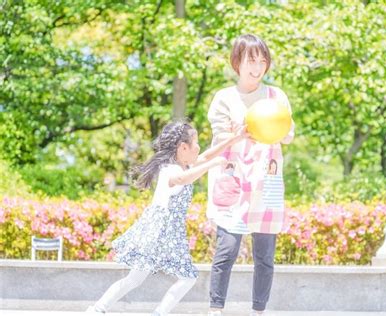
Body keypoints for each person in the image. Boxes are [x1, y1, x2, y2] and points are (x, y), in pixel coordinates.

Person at [86, 121, 247, 315]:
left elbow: (205, 156)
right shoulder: (172, 170)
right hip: (161, 232)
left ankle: (97, 309)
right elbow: (182, 179)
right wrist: (214, 164)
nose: (198, 147)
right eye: (195, 143)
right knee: (185, 277)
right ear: (183, 147)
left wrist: (235, 139)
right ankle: (105, 310)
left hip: (166, 232)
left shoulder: (182, 164)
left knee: (137, 279)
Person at [207, 34, 295, 316]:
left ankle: (259, 310)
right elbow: (220, 137)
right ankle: (215, 308)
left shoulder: (276, 96)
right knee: (227, 248)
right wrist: (237, 132)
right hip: (234, 179)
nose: (257, 67)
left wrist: (271, 130)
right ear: (237, 63)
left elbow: (289, 134)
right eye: (250, 60)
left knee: (264, 255)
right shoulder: (224, 98)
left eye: (262, 60)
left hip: (266, 180)